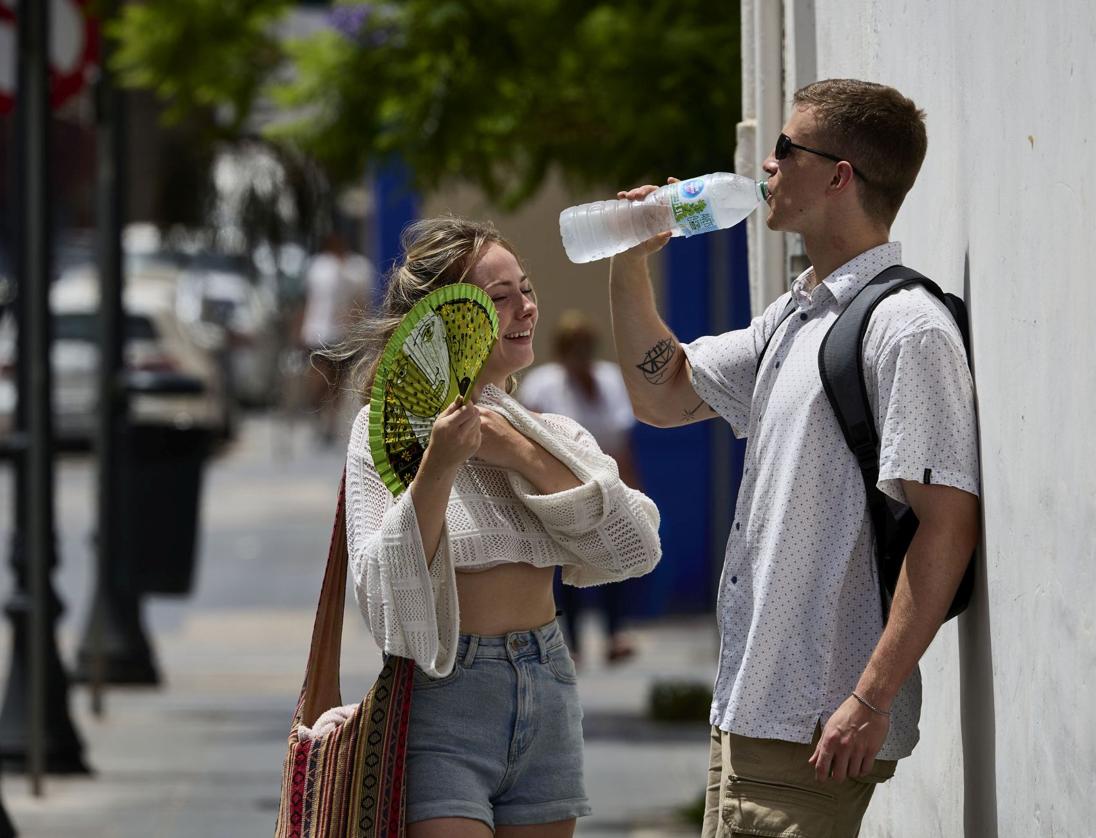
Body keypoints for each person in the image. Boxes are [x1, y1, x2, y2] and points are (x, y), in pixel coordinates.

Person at [608, 79, 980, 836]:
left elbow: (948, 525)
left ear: (839, 174)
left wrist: (869, 698)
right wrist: (628, 261)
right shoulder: (799, 312)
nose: (766, 167)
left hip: (814, 719)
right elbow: (664, 393)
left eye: (785, 149)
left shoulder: (906, 329)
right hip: (751, 707)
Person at [337, 217, 663, 837]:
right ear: (445, 320)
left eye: (527, 288)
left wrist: (519, 453)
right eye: (499, 297)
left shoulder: (550, 431)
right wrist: (436, 469)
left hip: (548, 684)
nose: (526, 308)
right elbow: (386, 604)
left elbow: (635, 547)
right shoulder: (386, 438)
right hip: (443, 699)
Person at [517, 310, 641, 665]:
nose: (580, 355)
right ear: (561, 351)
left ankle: (615, 633)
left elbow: (621, 441)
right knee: (563, 563)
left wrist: (631, 487)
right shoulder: (542, 383)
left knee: (615, 553)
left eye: (585, 347)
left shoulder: (611, 380)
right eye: (573, 348)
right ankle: (571, 642)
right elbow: (527, 436)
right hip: (556, 484)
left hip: (604, 483)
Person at [300, 231, 373, 444]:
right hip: (317, 332)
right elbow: (308, 299)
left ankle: (330, 422)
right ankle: (317, 411)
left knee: (338, 382)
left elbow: (361, 301)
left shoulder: (357, 268)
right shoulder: (318, 267)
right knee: (319, 377)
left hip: (343, 335)